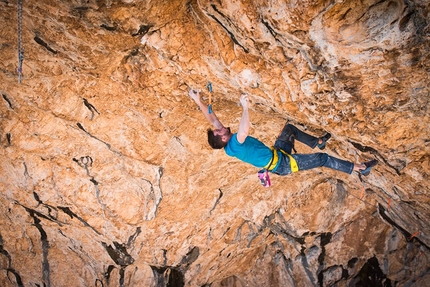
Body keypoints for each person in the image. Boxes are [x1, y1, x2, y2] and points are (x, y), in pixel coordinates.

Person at [188, 89, 378, 177]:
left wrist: (198, 101)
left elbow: (212, 119)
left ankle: (318, 140)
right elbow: (244, 129)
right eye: (219, 130)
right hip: (283, 164)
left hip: (277, 153)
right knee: (322, 159)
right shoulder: (234, 145)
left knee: (290, 130)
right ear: (222, 137)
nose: (220, 125)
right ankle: (360, 168)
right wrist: (245, 107)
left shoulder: (226, 142)